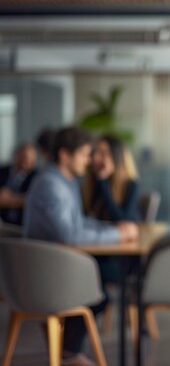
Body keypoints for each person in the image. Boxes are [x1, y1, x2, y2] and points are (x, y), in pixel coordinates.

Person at [23, 126, 138, 366]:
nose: (90, 160)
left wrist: (113, 231)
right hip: (43, 272)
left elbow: (79, 223)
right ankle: (68, 352)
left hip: (56, 263)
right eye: (85, 154)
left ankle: (66, 347)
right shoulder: (51, 185)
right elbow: (70, 234)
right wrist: (117, 235)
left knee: (99, 284)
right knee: (99, 292)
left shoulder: (65, 182)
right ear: (65, 155)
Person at [82, 134, 140, 222]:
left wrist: (103, 181)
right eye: (95, 152)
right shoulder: (92, 181)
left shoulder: (131, 184)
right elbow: (89, 214)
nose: (95, 157)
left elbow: (122, 220)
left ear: (116, 158)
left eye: (102, 153)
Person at [0, 142, 38, 225]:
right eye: (23, 157)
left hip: (22, 225)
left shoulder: (36, 177)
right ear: (16, 155)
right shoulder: (2, 171)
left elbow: (33, 199)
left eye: (30, 159)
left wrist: (9, 200)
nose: (26, 162)